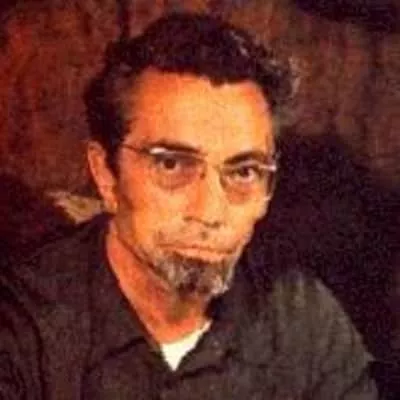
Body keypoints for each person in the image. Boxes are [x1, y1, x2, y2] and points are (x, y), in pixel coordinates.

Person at [0, 12, 378, 399]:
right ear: (106, 174)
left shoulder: (304, 321)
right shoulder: (20, 326)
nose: (210, 212)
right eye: (171, 165)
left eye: (244, 172)